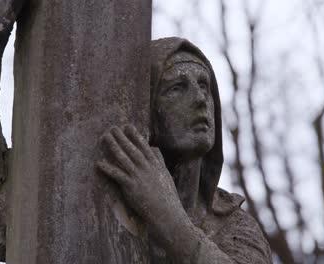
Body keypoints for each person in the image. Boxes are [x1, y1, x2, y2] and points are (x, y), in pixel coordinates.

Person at [97, 37, 272, 264]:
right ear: (149, 109)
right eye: (177, 88)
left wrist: (165, 215)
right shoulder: (111, 209)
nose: (200, 99)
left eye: (203, 86)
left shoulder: (233, 224)